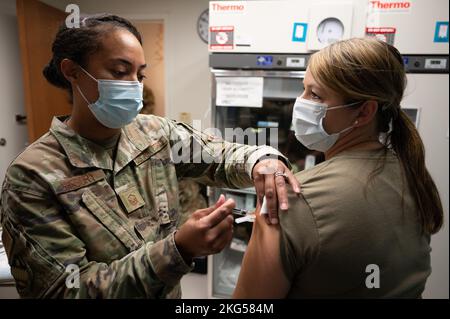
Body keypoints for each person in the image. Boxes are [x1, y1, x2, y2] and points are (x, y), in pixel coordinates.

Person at [0, 14, 301, 298]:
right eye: (120, 72)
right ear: (72, 71)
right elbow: (67, 290)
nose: (135, 86)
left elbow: (221, 155)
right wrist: (178, 249)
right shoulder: (33, 176)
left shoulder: (154, 133)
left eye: (140, 74)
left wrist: (262, 160)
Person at [233, 37, 444, 298]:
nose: (299, 103)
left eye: (315, 94)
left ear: (364, 113)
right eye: (303, 90)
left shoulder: (288, 199)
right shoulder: (413, 176)